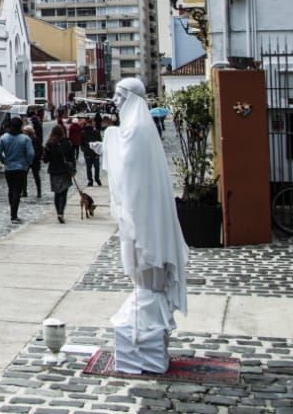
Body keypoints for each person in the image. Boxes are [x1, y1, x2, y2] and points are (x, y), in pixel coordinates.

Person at [102, 77, 190, 375]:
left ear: (130, 97)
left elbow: (129, 168)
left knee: (145, 265)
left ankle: (146, 325)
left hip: (141, 215)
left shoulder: (137, 131)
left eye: (118, 95)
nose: (114, 101)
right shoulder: (136, 130)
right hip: (138, 212)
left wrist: (109, 140)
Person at [0, 116, 34, 222]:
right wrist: (27, 163)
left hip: (9, 168)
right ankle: (14, 214)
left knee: (11, 190)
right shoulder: (25, 139)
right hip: (21, 168)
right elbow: (31, 153)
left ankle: (12, 210)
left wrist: (4, 161)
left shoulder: (4, 138)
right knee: (17, 191)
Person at [44, 123, 75, 224]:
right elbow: (71, 157)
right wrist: (73, 169)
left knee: (57, 193)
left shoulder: (49, 144)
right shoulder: (66, 143)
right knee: (63, 193)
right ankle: (61, 212)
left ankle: (58, 211)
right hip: (64, 171)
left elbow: (45, 160)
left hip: (54, 171)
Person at [26, 115, 44, 199]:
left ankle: (36, 191)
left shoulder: (29, 140)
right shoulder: (35, 138)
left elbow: (40, 149)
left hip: (32, 160)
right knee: (35, 176)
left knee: (34, 176)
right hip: (35, 160)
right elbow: (41, 149)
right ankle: (37, 191)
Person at [82, 116, 103, 187]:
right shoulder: (85, 132)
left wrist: (84, 150)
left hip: (91, 152)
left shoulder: (95, 132)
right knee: (93, 167)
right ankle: (93, 180)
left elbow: (100, 142)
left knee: (92, 167)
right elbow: (81, 143)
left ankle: (93, 179)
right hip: (92, 153)